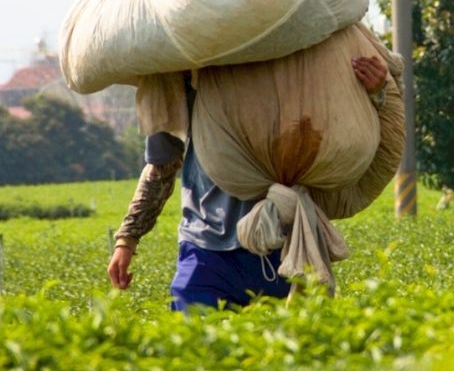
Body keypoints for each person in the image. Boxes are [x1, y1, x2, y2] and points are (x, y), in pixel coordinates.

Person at [106, 55, 389, 311]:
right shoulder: (183, 75)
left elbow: (345, 132)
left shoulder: (297, 69)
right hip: (206, 247)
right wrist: (127, 239)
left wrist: (375, 93)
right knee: (192, 346)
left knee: (287, 356)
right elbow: (161, 167)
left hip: (282, 245)